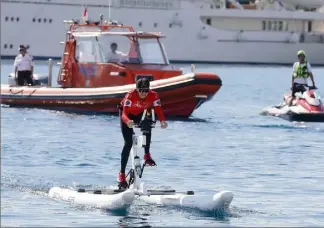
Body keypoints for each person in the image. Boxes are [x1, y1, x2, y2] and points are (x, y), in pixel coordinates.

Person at [118, 78, 168, 188]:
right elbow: (124, 114)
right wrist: (127, 121)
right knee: (128, 143)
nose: (144, 93)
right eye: (141, 91)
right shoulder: (130, 95)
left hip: (140, 114)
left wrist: (163, 121)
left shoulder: (154, 95)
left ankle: (146, 155)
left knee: (149, 118)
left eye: (146, 91)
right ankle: (121, 174)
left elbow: (159, 109)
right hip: (127, 115)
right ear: (137, 90)